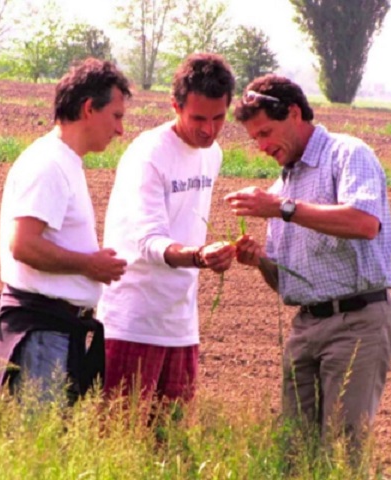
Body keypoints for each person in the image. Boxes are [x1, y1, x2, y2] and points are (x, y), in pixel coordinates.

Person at [225, 74, 391, 456]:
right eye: (255, 139)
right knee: (295, 450)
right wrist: (260, 260)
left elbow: (364, 223)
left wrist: (282, 208)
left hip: (357, 323)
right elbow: (288, 282)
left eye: (266, 133)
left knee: (342, 450)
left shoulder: (347, 154)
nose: (262, 146)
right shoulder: (282, 186)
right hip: (305, 327)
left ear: (293, 113)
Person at [0, 58, 131, 404]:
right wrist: (89, 265)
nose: (120, 129)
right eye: (116, 116)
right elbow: (24, 245)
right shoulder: (48, 164)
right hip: (42, 332)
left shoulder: (64, 161)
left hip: (53, 331)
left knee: (44, 436)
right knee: (36, 436)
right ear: (89, 108)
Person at [97, 53, 237, 406]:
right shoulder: (149, 154)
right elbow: (148, 241)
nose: (209, 130)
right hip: (133, 321)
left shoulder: (212, 154)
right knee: (119, 431)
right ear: (175, 106)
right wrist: (200, 256)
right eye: (198, 118)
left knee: (171, 434)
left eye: (218, 118)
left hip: (181, 325)